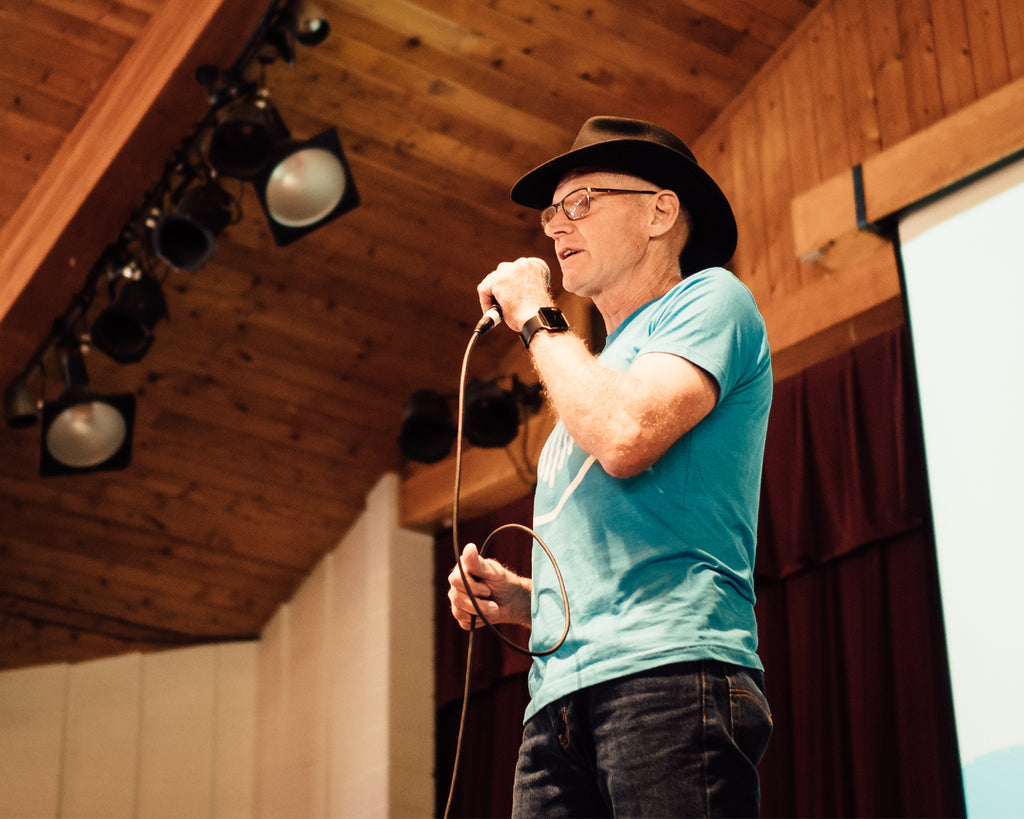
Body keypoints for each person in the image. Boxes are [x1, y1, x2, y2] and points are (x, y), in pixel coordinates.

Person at [447, 116, 774, 818]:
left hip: (668, 675)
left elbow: (626, 436)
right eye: (551, 214)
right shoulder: (594, 369)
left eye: (581, 202)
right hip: (556, 702)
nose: (556, 227)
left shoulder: (712, 300)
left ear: (660, 211)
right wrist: (525, 600)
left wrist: (535, 313)